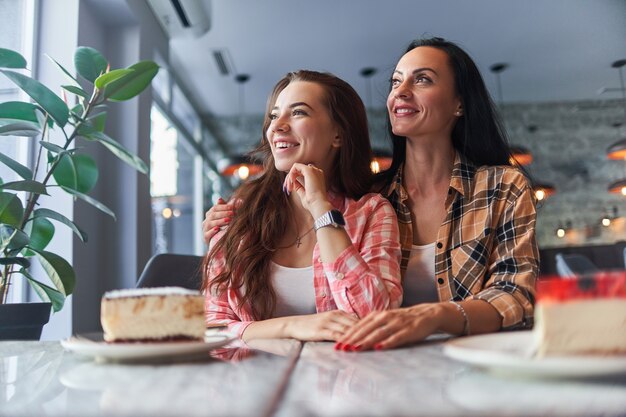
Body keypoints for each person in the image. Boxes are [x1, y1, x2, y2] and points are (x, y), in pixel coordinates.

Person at [203, 37, 539, 350]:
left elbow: (515, 295)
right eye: (396, 81)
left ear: (459, 104)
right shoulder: (376, 196)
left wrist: (435, 315)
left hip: (472, 356)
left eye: (422, 79)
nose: (400, 92)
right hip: (384, 362)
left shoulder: (501, 186)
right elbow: (213, 321)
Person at [202, 70, 402, 342]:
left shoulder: (372, 212)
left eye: (298, 113)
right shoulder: (237, 216)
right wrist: (293, 327)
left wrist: (321, 208)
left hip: (344, 376)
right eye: (274, 115)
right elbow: (212, 327)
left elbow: (375, 318)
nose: (277, 126)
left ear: (338, 134)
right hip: (248, 378)